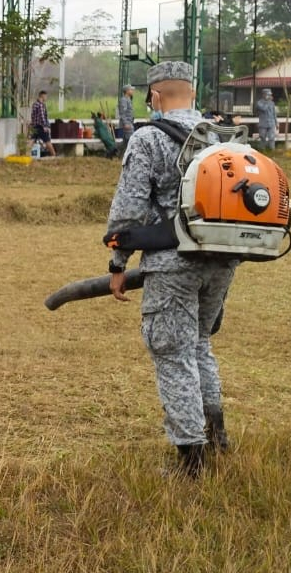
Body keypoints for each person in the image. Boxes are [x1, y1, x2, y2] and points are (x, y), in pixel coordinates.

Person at [104, 61, 236, 479]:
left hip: (172, 265)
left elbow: (128, 208)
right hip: (223, 257)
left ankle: (190, 461)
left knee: (173, 354)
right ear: (193, 93)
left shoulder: (148, 138)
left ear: (155, 97)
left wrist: (117, 262)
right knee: (199, 344)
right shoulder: (222, 137)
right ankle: (218, 438)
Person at [29, 90, 56, 157]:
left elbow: (32, 116)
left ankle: (26, 154)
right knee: (47, 141)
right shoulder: (41, 105)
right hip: (41, 127)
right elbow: (42, 116)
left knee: (32, 140)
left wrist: (32, 124)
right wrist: (45, 126)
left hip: (35, 126)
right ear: (42, 96)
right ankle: (53, 155)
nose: (46, 98)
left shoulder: (35, 104)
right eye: (46, 96)